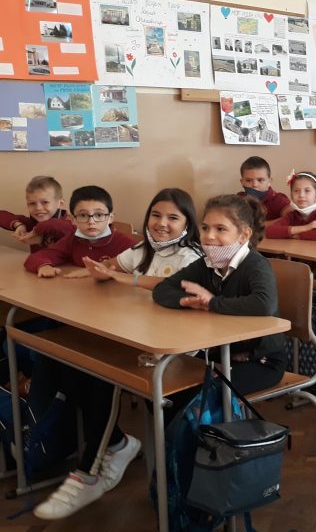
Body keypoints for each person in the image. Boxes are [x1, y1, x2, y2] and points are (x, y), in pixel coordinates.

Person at [32, 188, 203, 519]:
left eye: (173, 217)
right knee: (69, 364)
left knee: (101, 376)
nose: (162, 223)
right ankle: (117, 444)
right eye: (156, 215)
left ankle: (88, 473)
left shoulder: (191, 255)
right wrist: (98, 271)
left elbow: (167, 288)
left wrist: (124, 278)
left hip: (176, 353)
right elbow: (113, 265)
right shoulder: (144, 248)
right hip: (138, 338)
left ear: (188, 223)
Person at [153, 194, 289, 395]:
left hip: (261, 360)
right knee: (164, 386)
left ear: (244, 235)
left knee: (200, 395)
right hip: (220, 353)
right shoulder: (206, 264)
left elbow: (264, 304)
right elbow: (163, 289)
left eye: (221, 229)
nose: (209, 236)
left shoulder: (255, 264)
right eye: (205, 228)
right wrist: (186, 301)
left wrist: (212, 303)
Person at [24, 185, 136, 276]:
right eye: (83, 215)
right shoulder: (72, 239)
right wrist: (43, 266)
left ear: (110, 218)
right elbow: (36, 257)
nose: (91, 221)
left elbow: (142, 270)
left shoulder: (124, 243)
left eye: (99, 215)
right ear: (72, 219)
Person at [0, 175, 73, 252]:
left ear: (60, 203)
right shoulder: (33, 223)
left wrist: (41, 239)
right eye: (32, 203)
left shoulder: (72, 224)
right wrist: (18, 225)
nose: (38, 208)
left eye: (45, 202)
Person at [265, 170, 316, 240]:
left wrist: (298, 235)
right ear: (291, 196)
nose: (301, 195)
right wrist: (306, 227)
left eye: (307, 191)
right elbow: (269, 231)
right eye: (296, 191)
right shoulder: (291, 216)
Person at [236, 155, 290, 221]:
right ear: (242, 182)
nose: (255, 185)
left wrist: (264, 225)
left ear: (269, 181)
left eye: (260, 180)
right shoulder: (239, 199)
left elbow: (292, 218)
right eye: (248, 180)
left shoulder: (279, 200)